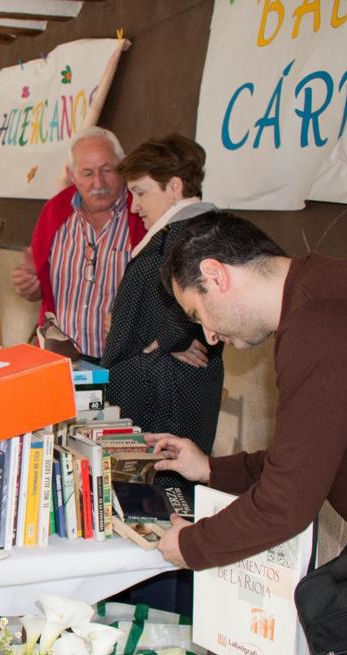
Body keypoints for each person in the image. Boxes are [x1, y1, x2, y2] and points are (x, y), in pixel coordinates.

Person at [147, 211, 347, 572]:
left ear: (215, 275)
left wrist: (192, 545)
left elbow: (287, 501)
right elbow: (306, 455)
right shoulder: (325, 285)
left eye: (198, 313)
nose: (209, 336)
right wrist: (209, 469)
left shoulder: (317, 326)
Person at [102, 134, 223, 453]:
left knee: (160, 491)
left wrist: (169, 340)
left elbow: (210, 294)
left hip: (164, 397)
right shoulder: (182, 232)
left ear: (174, 186)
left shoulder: (196, 234)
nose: (135, 205)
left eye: (141, 192)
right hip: (159, 389)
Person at [10, 127, 145, 361]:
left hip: (123, 361)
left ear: (123, 167)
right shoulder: (53, 213)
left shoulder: (143, 215)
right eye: (87, 173)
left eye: (107, 170)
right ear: (71, 175)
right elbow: (40, 292)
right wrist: (31, 288)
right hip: (60, 358)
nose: (98, 182)